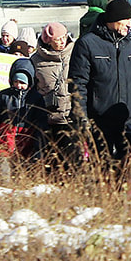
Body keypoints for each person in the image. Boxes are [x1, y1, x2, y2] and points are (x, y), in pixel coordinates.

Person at [69, 0, 131, 162]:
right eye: (125, 20)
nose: (129, 24)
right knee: (104, 169)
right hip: (100, 122)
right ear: (112, 20)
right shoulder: (87, 44)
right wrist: (82, 117)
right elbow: (78, 84)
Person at [30, 22, 76, 165]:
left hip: (71, 118)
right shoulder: (36, 61)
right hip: (48, 119)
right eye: (58, 39)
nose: (63, 41)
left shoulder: (76, 54)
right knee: (51, 162)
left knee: (72, 161)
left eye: (64, 37)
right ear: (48, 41)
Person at [0, 58, 44, 159]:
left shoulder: (35, 98)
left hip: (26, 139)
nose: (18, 85)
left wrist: (39, 145)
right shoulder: (4, 95)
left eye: (22, 82)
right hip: (5, 139)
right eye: (16, 81)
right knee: (4, 168)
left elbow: (41, 122)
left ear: (29, 82)